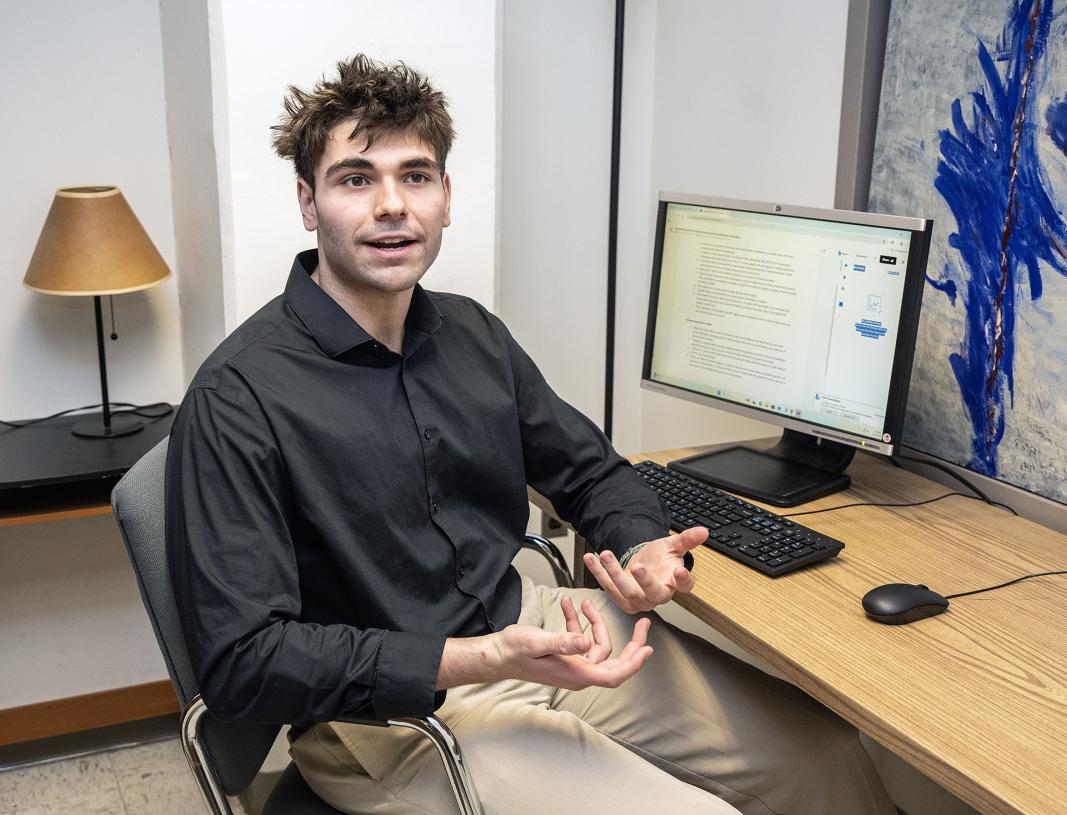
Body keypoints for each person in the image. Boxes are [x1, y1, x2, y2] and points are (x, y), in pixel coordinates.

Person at [166, 53, 896, 815]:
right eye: (356, 179)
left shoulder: (473, 335)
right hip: (389, 720)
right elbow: (244, 661)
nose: (392, 206)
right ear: (308, 203)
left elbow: (590, 471)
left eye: (415, 177)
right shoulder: (237, 395)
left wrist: (643, 542)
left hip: (536, 631)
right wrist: (476, 658)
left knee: (825, 759)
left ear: (445, 198)